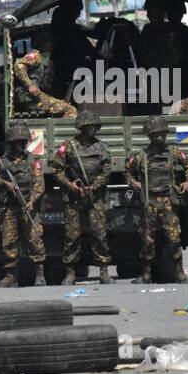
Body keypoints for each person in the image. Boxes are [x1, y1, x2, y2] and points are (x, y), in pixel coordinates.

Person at [126, 115, 188, 282]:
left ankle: (180, 273)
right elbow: (127, 171)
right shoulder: (140, 155)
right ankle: (146, 274)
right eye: (156, 135)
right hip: (149, 203)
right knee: (147, 240)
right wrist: (133, 182)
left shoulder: (174, 152)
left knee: (174, 238)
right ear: (150, 136)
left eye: (162, 134)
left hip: (168, 202)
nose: (160, 138)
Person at [50, 109, 114, 284]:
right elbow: (56, 169)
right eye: (88, 126)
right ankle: (70, 272)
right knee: (72, 235)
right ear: (81, 127)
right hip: (74, 198)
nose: (92, 129)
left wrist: (94, 186)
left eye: (94, 126)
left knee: (99, 233)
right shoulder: (68, 147)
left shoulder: (102, 147)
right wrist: (70, 185)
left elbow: (107, 170)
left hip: (94, 196)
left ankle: (103, 270)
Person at [0, 122, 46, 287]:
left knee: (35, 240)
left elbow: (39, 184)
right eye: (16, 142)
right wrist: (5, 183)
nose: (20, 145)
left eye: (22, 142)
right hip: (10, 207)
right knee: (9, 242)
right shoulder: (2, 161)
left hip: (29, 206)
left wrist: (32, 200)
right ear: (11, 143)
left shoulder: (33, 161)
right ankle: (11, 276)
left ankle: (39, 275)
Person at [13, 30, 77, 118]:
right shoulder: (36, 55)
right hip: (31, 99)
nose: (51, 45)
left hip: (39, 98)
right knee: (71, 110)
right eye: (49, 42)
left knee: (64, 105)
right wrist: (29, 85)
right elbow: (19, 66)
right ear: (42, 43)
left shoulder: (46, 59)